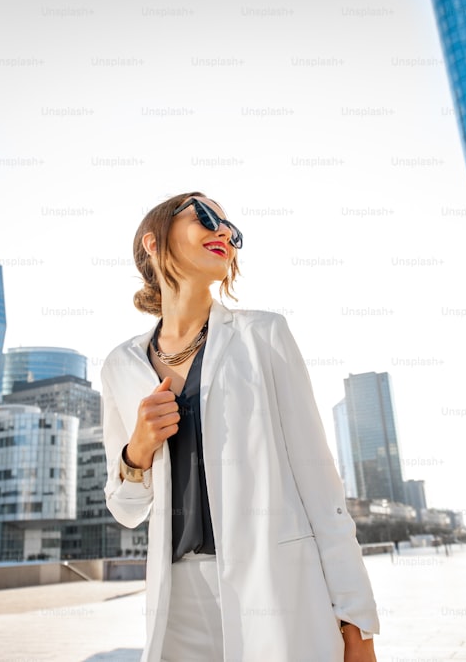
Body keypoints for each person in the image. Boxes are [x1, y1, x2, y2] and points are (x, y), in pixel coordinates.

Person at [101, 192, 380, 661]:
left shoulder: (264, 335)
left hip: (276, 590)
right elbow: (126, 508)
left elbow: (320, 485)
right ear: (153, 241)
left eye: (233, 228)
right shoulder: (119, 366)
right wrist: (139, 448)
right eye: (206, 217)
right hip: (177, 600)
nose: (225, 232)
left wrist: (357, 622)